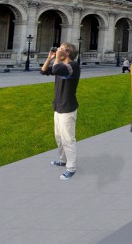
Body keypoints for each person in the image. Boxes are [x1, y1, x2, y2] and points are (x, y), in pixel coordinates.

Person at [39, 43, 80, 180]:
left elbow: (56, 70)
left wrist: (57, 58)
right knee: (59, 137)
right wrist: (50, 58)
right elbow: (43, 71)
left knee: (68, 139)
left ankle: (71, 167)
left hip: (67, 108)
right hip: (58, 107)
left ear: (67, 53)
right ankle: (63, 160)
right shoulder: (61, 66)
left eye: (61, 49)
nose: (58, 50)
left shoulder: (72, 66)